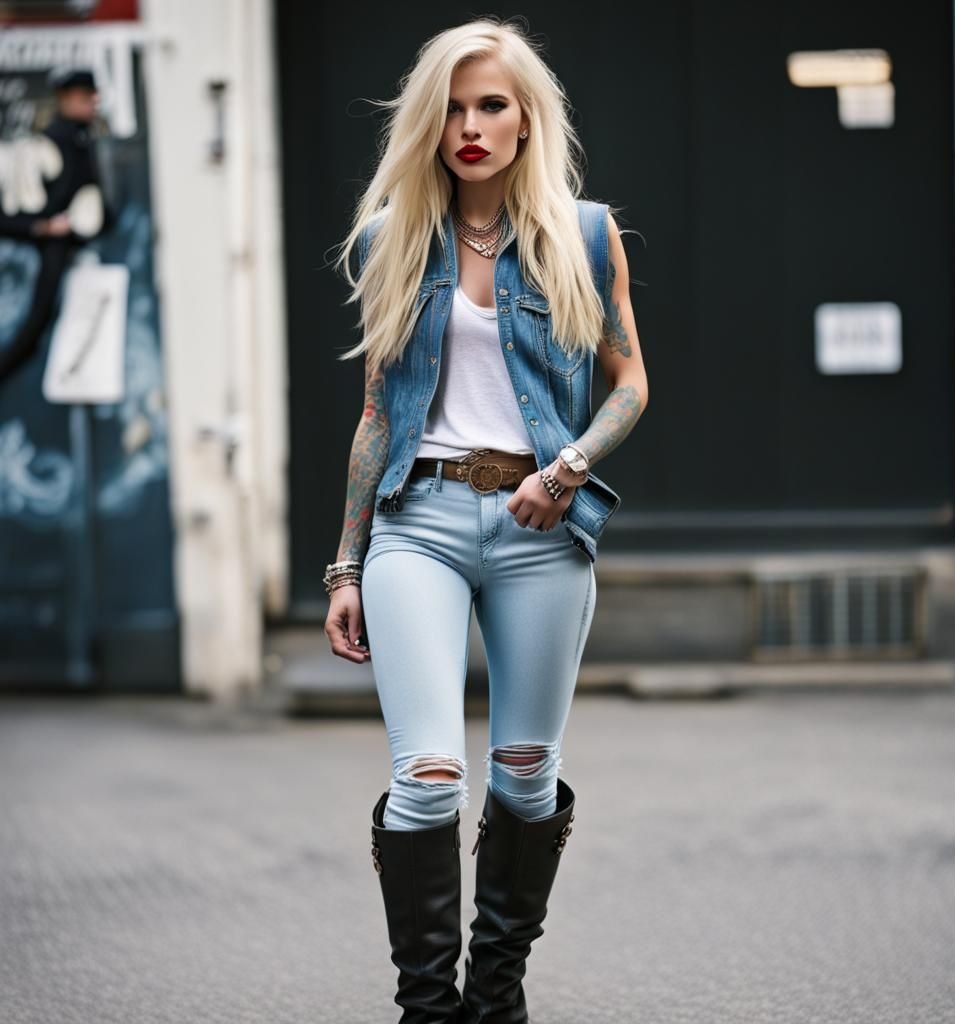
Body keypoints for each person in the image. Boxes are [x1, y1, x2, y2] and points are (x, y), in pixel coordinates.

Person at [323, 18, 648, 1022]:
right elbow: (378, 410)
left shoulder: (585, 235)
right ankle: (429, 1009)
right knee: (427, 775)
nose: (470, 125)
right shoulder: (391, 239)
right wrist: (345, 563)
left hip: (539, 526)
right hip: (416, 519)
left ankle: (494, 997)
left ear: (524, 119)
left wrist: (569, 468)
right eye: (453, 108)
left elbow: (629, 383)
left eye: (491, 105)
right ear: (430, 123)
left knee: (523, 773)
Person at [0, 66, 113, 384]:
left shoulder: (81, 138)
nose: (91, 103)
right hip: (46, 248)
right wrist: (43, 227)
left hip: (74, 250)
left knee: (69, 334)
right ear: (65, 98)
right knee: (35, 325)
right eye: (84, 96)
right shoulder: (50, 143)